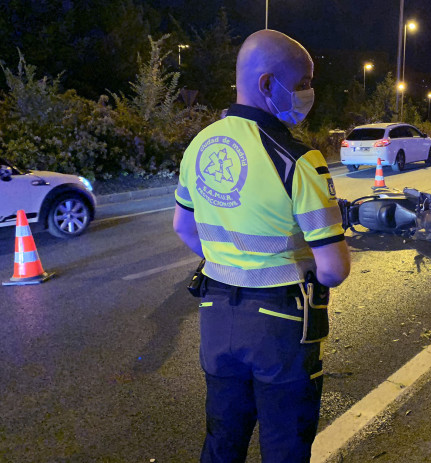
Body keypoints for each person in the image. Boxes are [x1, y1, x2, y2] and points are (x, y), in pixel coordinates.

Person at [173, 29, 351, 462]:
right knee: (285, 446)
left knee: (222, 441)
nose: (309, 92)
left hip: (216, 318)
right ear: (268, 84)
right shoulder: (299, 160)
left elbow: (183, 227)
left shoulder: (199, 145)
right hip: (279, 327)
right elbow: (333, 270)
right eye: (304, 82)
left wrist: (231, 262)